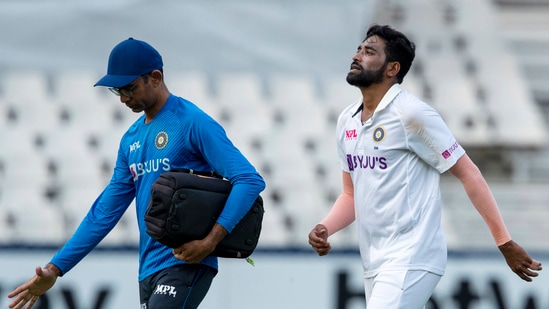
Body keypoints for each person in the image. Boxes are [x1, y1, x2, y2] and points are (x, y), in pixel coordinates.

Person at [8, 37, 265, 309]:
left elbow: (249, 180)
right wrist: (55, 268)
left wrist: (210, 241)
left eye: (129, 88)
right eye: (117, 91)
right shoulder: (130, 139)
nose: (123, 99)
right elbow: (104, 212)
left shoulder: (191, 121)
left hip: (186, 263)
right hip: (148, 269)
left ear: (155, 77)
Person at [308, 24, 542, 308]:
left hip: (412, 255)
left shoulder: (412, 114)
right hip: (374, 259)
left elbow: (468, 173)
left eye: (369, 52)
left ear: (392, 68)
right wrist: (325, 227)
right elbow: (351, 195)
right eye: (359, 49)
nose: (357, 56)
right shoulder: (347, 120)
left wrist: (504, 242)